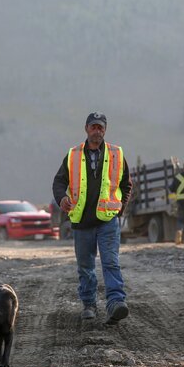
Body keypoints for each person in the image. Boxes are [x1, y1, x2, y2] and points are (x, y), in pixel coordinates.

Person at [52, 112, 132, 324]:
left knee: (111, 263)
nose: (97, 131)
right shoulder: (73, 155)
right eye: (93, 127)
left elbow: (126, 185)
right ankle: (89, 305)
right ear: (86, 128)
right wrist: (62, 199)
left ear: (105, 130)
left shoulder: (116, 153)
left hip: (107, 221)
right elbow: (59, 182)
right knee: (85, 266)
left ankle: (116, 303)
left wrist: (119, 209)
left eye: (101, 127)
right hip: (82, 222)